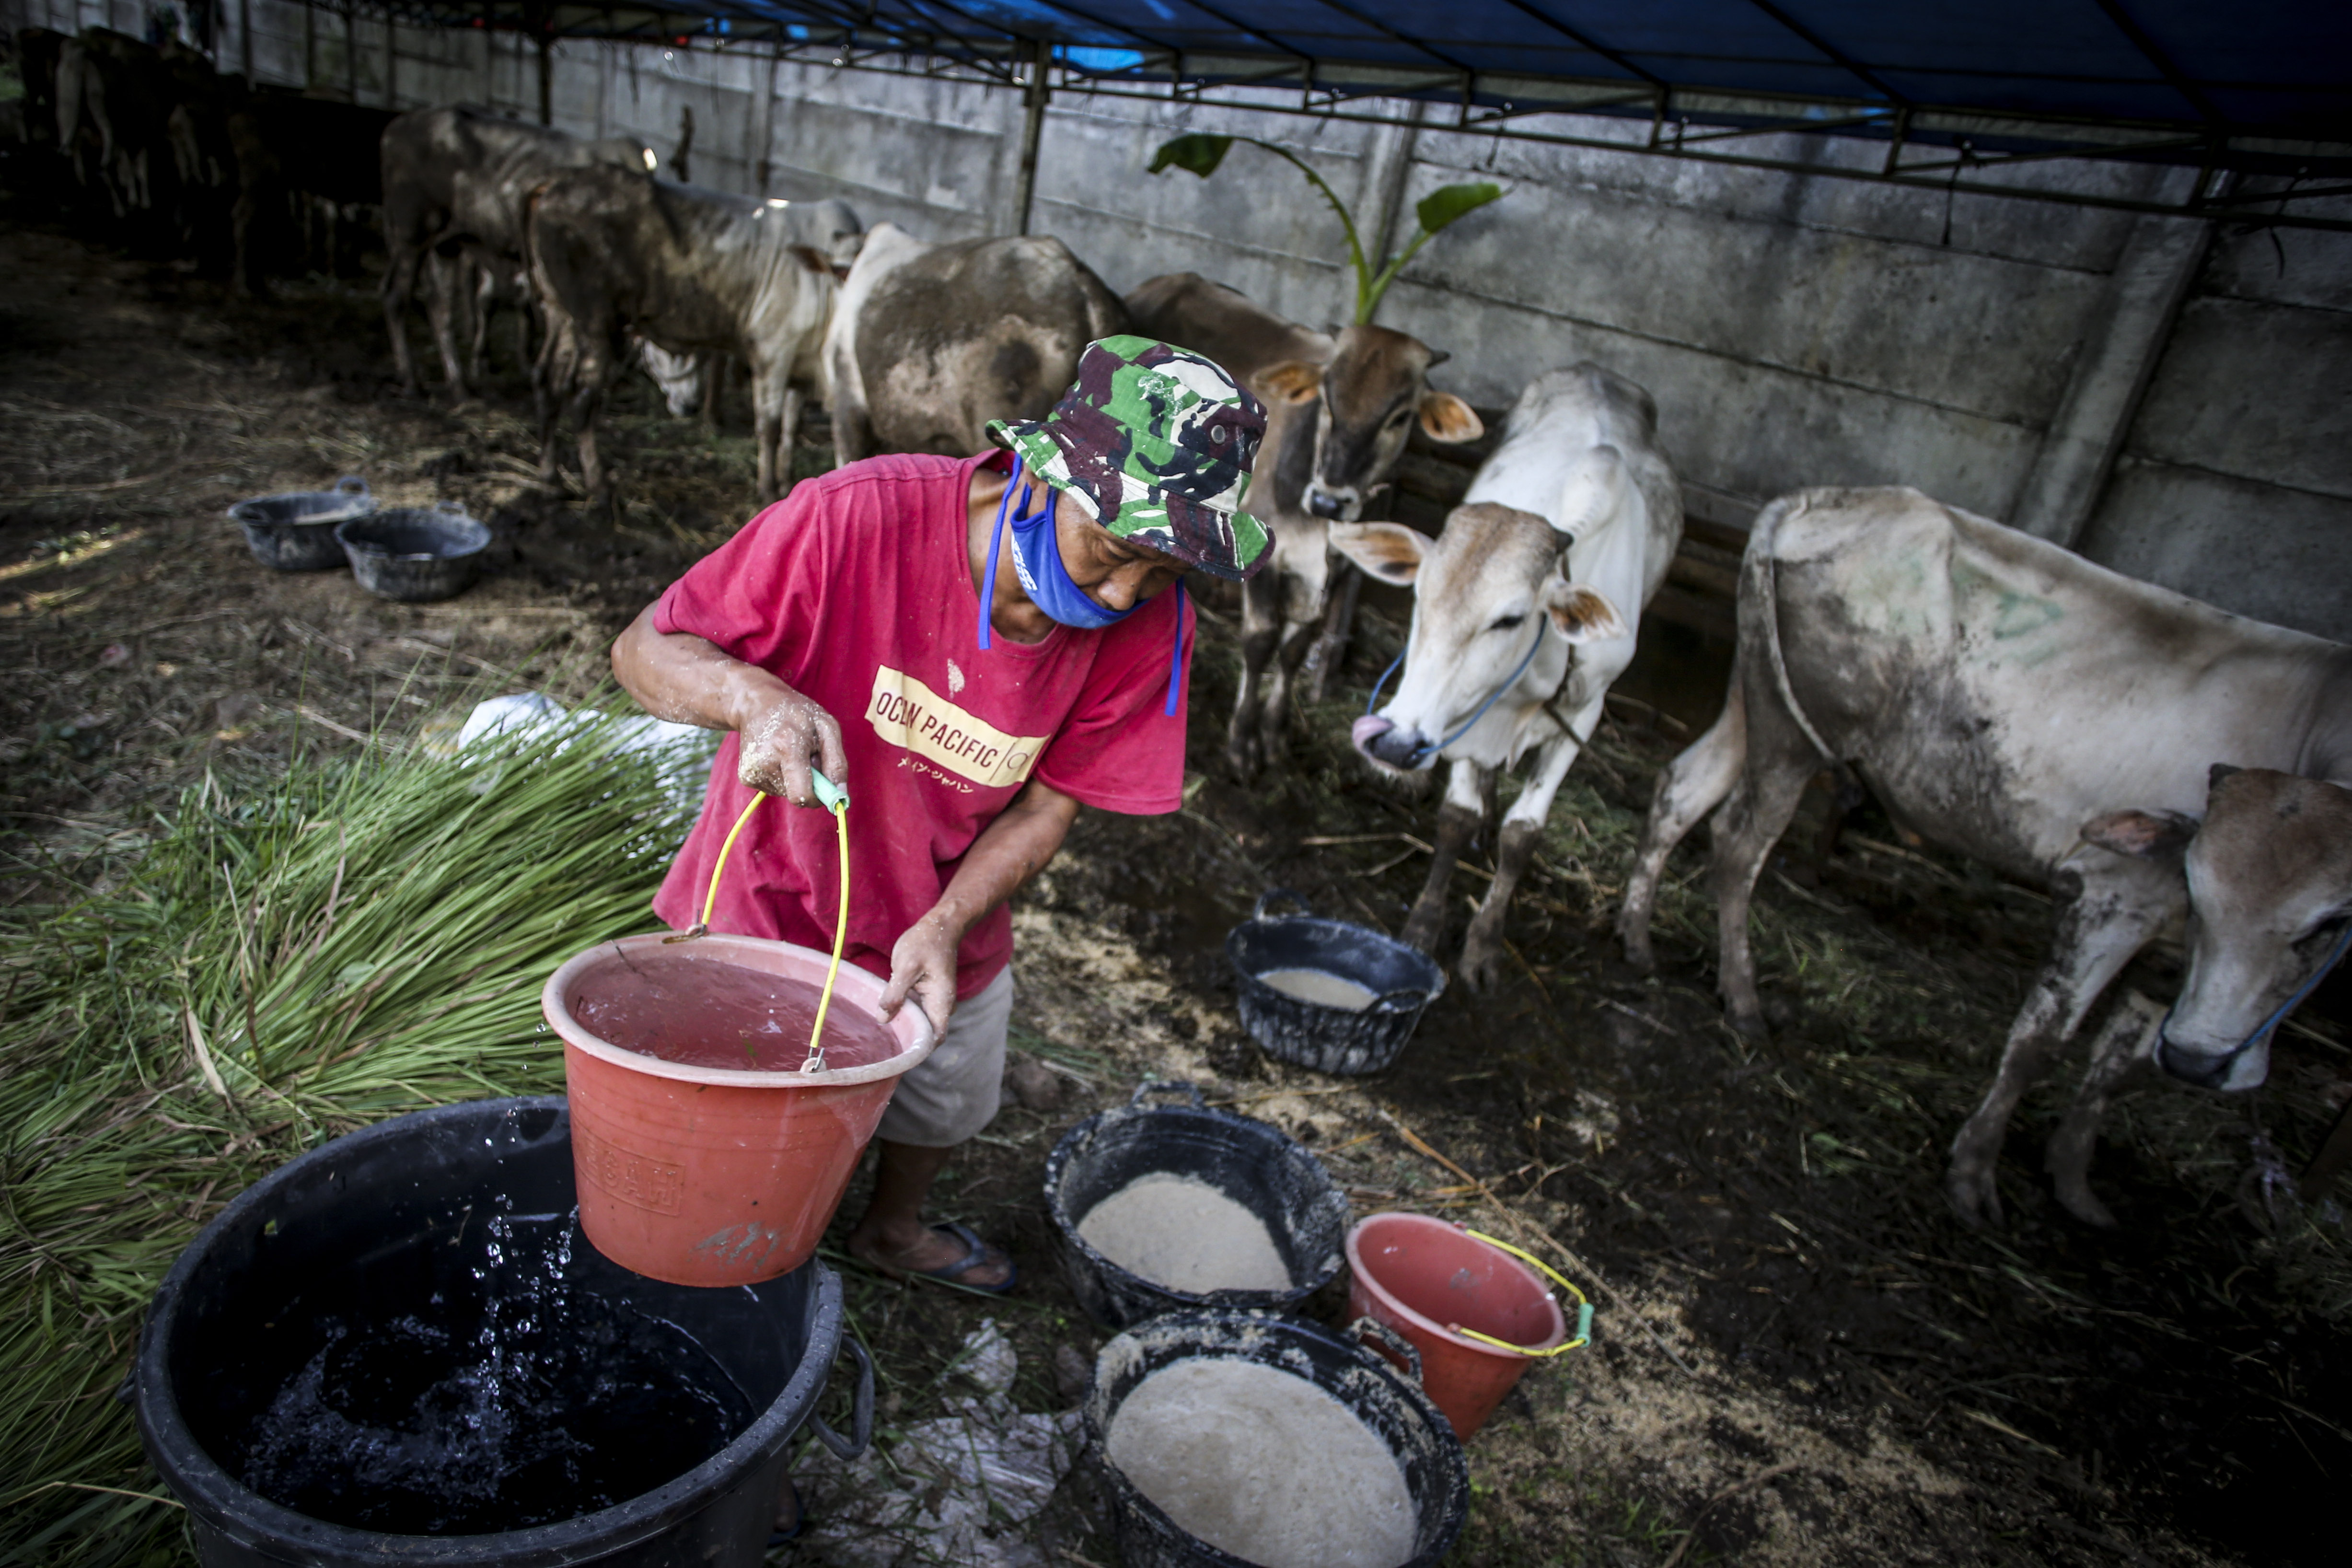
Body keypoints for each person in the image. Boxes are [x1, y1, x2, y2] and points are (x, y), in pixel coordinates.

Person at [612, 336, 1269, 1291]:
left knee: (945, 1091)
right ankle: (735, 1242)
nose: (1125, 593)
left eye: (1162, 572)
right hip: (774, 889)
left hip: (943, 909)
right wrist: (752, 699)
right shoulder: (858, 519)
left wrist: (946, 922)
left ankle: (889, 1229)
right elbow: (644, 649)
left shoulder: (1149, 629)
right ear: (1041, 476)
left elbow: (1047, 811)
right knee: (735, 1107)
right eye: (1115, 553)